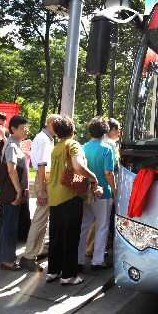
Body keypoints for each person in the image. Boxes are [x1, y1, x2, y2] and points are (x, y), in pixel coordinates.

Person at [46, 114, 99, 285]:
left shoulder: (57, 147)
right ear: (73, 130)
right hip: (69, 195)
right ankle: (68, 275)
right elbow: (78, 166)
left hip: (54, 197)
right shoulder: (73, 144)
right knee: (71, 237)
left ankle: (53, 271)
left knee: (56, 236)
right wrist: (93, 178)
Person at [19, 114, 60, 272]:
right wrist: (42, 190)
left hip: (45, 179)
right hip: (45, 180)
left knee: (42, 219)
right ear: (51, 123)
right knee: (40, 219)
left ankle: (36, 251)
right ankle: (29, 256)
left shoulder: (46, 138)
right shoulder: (44, 139)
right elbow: (42, 165)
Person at [78, 117, 116, 271]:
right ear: (105, 131)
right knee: (102, 226)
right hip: (103, 192)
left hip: (85, 191)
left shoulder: (83, 148)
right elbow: (108, 172)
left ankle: (79, 260)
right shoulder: (106, 149)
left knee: (84, 226)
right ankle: (97, 260)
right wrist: (114, 189)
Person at [0, 115, 30, 271]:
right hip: (11, 192)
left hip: (11, 191)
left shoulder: (15, 144)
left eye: (26, 127)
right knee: (10, 225)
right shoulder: (11, 146)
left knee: (7, 224)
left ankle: (3, 256)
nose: (26, 130)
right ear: (13, 129)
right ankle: (7, 260)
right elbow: (11, 170)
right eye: (23, 128)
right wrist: (18, 191)